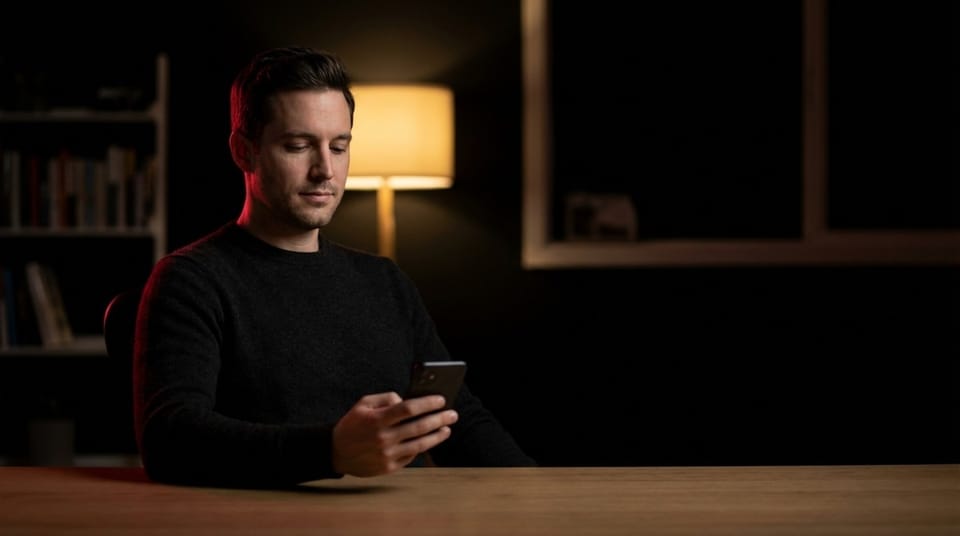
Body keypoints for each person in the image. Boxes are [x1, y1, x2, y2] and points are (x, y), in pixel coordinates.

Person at [132, 46, 536, 488]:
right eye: (298, 146)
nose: (325, 170)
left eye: (339, 146)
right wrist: (331, 451)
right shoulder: (190, 279)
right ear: (244, 152)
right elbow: (170, 438)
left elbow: (458, 416)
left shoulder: (384, 280)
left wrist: (539, 496)